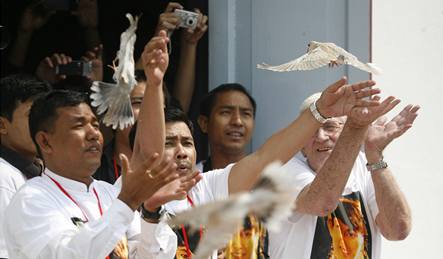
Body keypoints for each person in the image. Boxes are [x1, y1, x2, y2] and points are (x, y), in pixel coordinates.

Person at [130, 74, 387, 258]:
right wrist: (151, 212)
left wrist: (319, 111)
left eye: (187, 142)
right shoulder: (123, 199)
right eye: (169, 143)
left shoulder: (206, 186)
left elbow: (264, 158)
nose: (181, 152)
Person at [3, 31, 184, 259]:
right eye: (79, 125)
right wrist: (126, 203)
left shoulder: (109, 193)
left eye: (95, 125)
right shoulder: (31, 198)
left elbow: (153, 255)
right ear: (45, 141)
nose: (93, 134)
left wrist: (154, 83)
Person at [269, 93, 419, 259]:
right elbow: (322, 203)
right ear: (302, 146)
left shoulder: (365, 165)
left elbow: (397, 230)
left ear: (345, 131)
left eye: (330, 127)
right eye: (311, 130)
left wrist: (375, 156)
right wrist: (357, 129)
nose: (320, 137)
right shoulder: (283, 172)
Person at [197, 83, 269, 258]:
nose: (237, 121)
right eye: (226, 112)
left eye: (246, 114)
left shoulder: (268, 183)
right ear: (204, 123)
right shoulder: (192, 183)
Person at [0, 74, 51, 258]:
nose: (42, 126)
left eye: (45, 116)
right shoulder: (3, 176)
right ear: (2, 125)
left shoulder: (41, 170)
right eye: (32, 116)